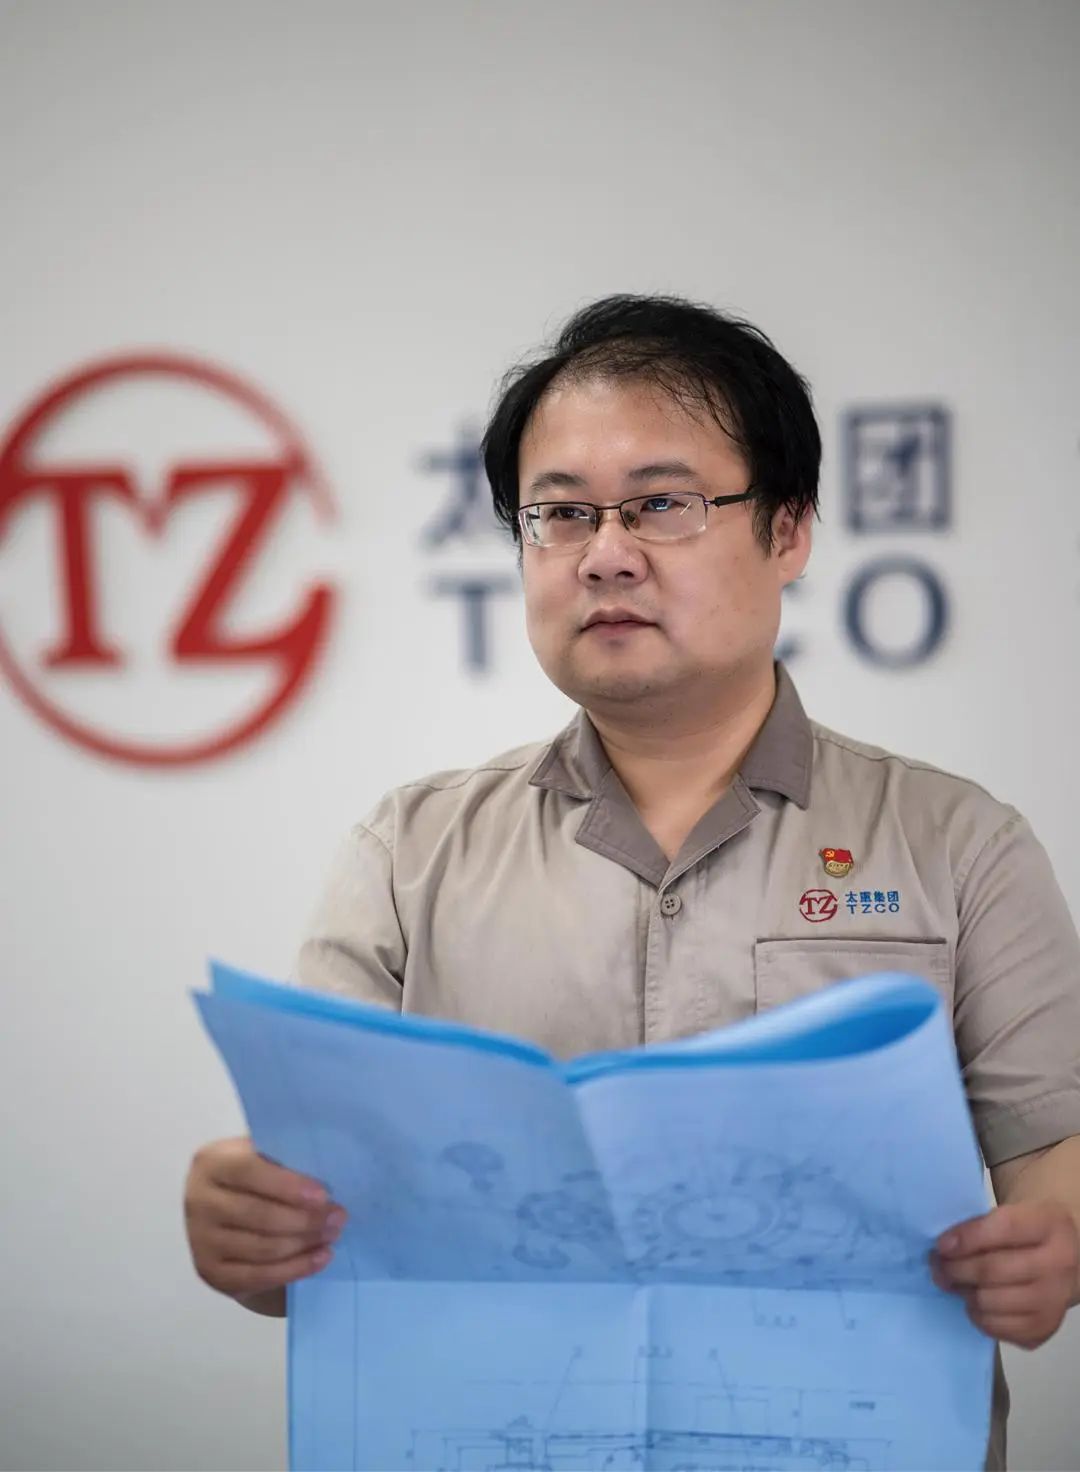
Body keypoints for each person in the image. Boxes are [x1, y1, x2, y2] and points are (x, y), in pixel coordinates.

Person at [184, 295, 1080, 1468]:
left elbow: (1055, 1147)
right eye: (561, 513)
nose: (605, 552)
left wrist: (1054, 1237)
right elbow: (315, 1200)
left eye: (662, 502)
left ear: (790, 529)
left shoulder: (957, 842)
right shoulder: (408, 851)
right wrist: (247, 1220)